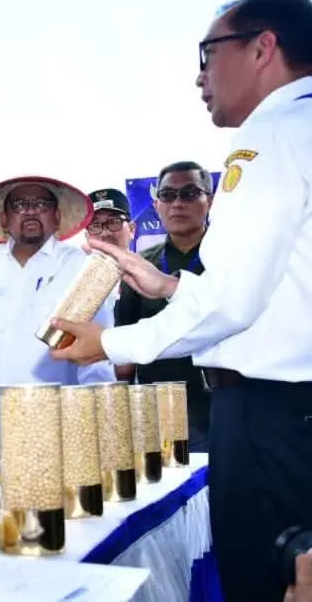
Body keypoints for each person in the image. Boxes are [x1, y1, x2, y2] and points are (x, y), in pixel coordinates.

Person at [47, 0, 312, 602]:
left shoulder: (273, 139)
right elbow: (293, 296)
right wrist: (170, 286)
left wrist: (109, 341)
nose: (199, 76)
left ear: (262, 48)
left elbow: (233, 303)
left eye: (208, 54)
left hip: (279, 426)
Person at [0, 175, 113, 441]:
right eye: (20, 204)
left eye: (41, 204)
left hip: (60, 421)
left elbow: (98, 347)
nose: (31, 211)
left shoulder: (81, 266)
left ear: (57, 216)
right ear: (4, 219)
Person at [112, 163, 213, 451]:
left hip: (226, 399)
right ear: (156, 205)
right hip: (161, 404)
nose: (178, 203)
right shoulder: (140, 265)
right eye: (168, 195)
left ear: (211, 200)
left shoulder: (231, 258)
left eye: (190, 193)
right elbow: (125, 341)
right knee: (171, 486)